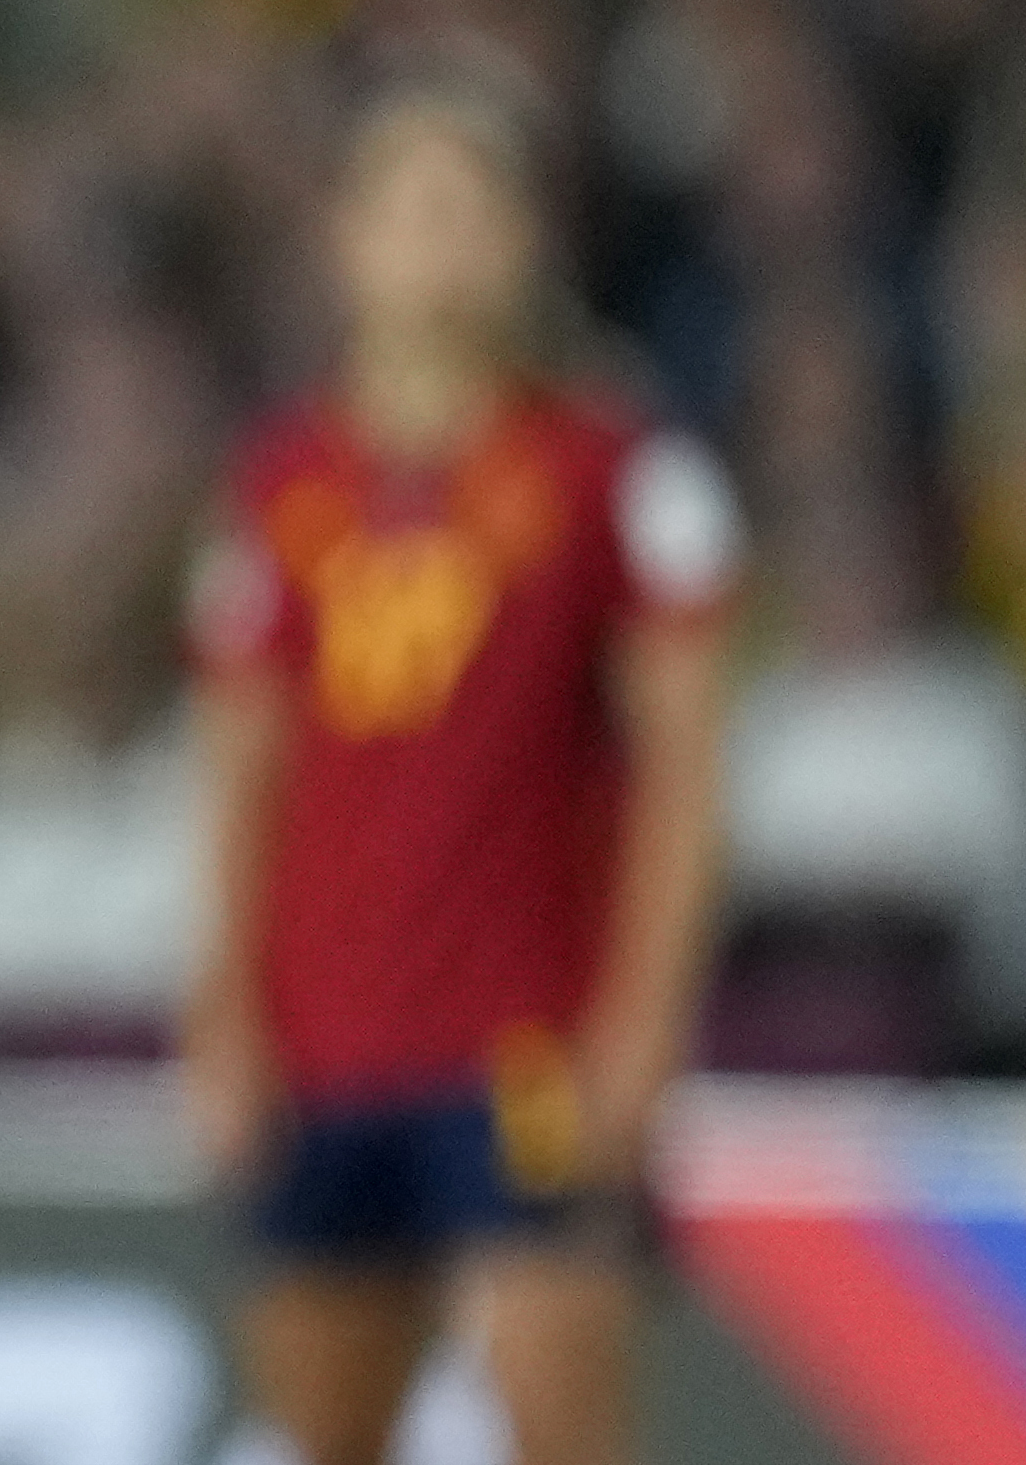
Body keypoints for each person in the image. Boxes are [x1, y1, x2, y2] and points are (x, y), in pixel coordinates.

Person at [180, 73, 741, 1465]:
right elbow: (240, 773)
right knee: (325, 1429)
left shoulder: (614, 471)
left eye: (466, 206)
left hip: (530, 1040)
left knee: (559, 1419)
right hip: (327, 1033)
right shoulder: (277, 485)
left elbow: (685, 770)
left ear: (519, 242)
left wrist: (643, 1024)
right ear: (343, 238)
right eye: (405, 205)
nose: (435, 238)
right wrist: (220, 1008)